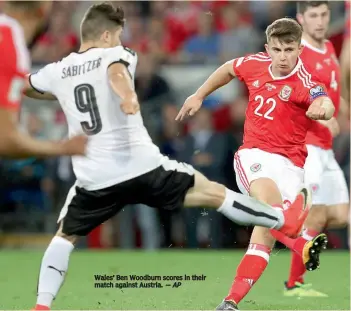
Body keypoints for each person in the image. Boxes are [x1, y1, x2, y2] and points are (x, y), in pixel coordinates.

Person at [23, 4, 309, 310]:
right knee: (214, 193)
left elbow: (27, 87)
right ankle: (285, 224)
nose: (121, 40)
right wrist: (128, 97)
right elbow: (117, 74)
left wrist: (61, 91)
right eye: (118, 34)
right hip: (141, 166)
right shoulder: (118, 55)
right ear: (106, 34)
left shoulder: (58, 71)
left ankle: (41, 306)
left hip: (93, 177)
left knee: (64, 237)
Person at [176, 17, 334, 311]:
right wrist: (199, 94)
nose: (283, 56)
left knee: (264, 238)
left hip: (292, 166)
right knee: (272, 211)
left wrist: (321, 110)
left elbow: (325, 102)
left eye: (289, 49)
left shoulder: (307, 82)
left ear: (300, 49)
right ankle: (302, 246)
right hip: (256, 156)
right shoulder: (254, 63)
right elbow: (227, 69)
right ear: (267, 48)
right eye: (277, 49)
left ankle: (230, 302)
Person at [282, 1, 350, 297]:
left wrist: (342, 108)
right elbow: (292, 97)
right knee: (312, 218)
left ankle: (283, 234)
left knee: (338, 215)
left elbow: (338, 88)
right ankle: (293, 283)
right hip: (306, 149)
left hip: (325, 150)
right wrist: (325, 113)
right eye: (313, 16)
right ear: (301, 19)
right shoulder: (298, 55)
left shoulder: (329, 50)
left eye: (324, 15)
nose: (320, 22)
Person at [0, 1, 87, 158]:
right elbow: (4, 140)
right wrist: (64, 148)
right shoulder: (9, 42)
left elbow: (10, 84)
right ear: (45, 8)